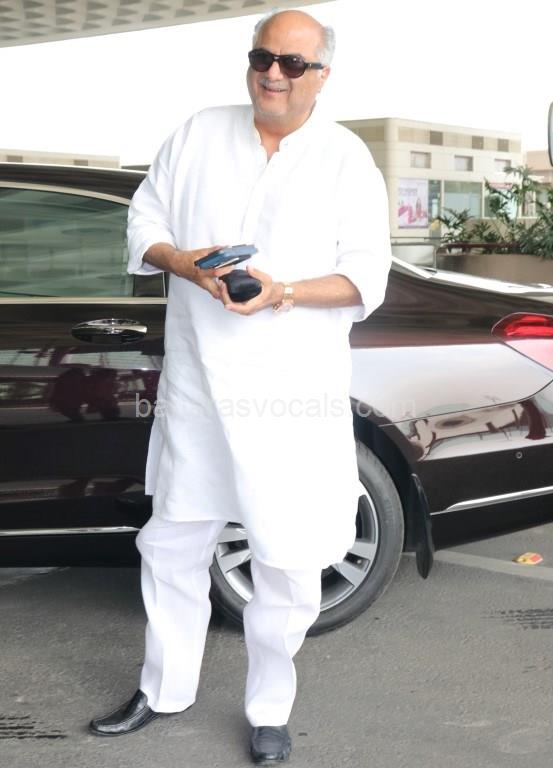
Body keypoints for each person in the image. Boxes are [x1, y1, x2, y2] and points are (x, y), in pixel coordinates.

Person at [89, 8, 392, 764]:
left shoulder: (345, 158)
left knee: (287, 560)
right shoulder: (198, 132)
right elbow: (144, 225)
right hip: (198, 384)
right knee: (172, 542)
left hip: (290, 396)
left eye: (293, 63)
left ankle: (268, 709)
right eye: (263, 58)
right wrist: (186, 264)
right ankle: (163, 690)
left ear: (322, 75)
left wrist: (281, 290)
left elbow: (365, 277)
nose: (273, 74)